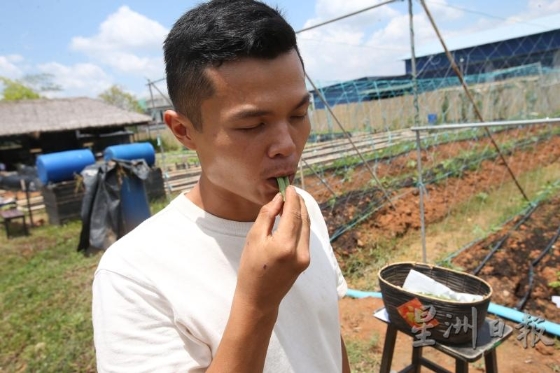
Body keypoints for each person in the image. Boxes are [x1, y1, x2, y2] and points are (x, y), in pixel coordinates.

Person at [92, 1, 350, 372]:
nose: (287, 145)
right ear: (183, 131)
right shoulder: (133, 275)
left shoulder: (303, 209)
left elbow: (325, 333)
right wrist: (257, 304)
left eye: (298, 115)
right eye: (251, 126)